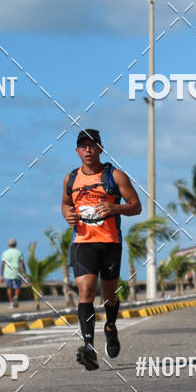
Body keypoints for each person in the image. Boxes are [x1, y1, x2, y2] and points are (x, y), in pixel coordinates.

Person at [61, 128, 142, 371]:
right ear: (77, 151)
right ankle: (89, 348)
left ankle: (110, 326)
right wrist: (68, 215)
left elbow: (136, 206)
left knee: (109, 296)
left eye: (93, 145)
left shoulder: (115, 176)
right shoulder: (70, 179)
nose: (88, 150)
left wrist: (114, 209)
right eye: (83, 146)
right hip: (83, 243)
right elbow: (66, 205)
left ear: (100, 148)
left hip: (110, 243)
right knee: (85, 291)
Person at [0, 238, 27, 308]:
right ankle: (16, 296)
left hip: (7, 273)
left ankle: (11, 302)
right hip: (17, 272)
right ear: (16, 245)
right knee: (17, 287)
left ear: (8, 245)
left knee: (9, 288)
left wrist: (1, 275)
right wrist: (25, 273)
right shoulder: (19, 252)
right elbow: (22, 264)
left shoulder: (5, 253)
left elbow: (2, 265)